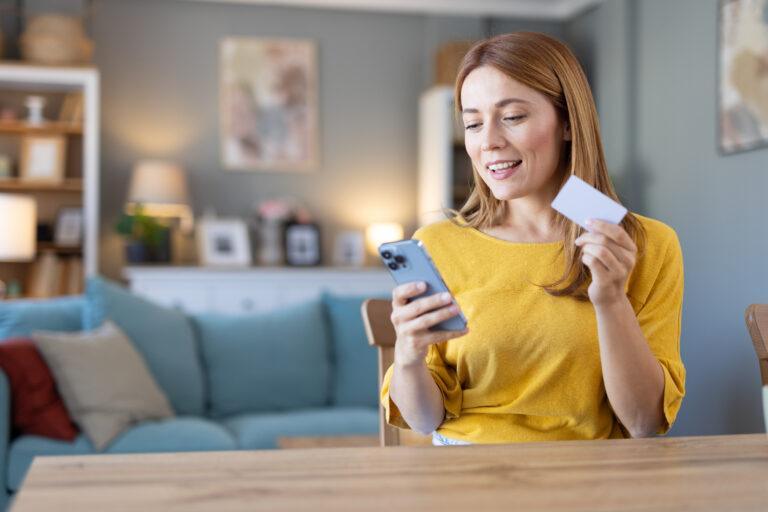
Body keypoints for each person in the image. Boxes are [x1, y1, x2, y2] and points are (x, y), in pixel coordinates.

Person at [380, 32, 685, 446]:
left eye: (513, 117)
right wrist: (409, 358)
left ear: (566, 122)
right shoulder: (438, 244)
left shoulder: (648, 244)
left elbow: (645, 421)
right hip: (465, 471)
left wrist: (611, 299)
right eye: (472, 123)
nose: (488, 141)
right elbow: (424, 420)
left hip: (590, 477)